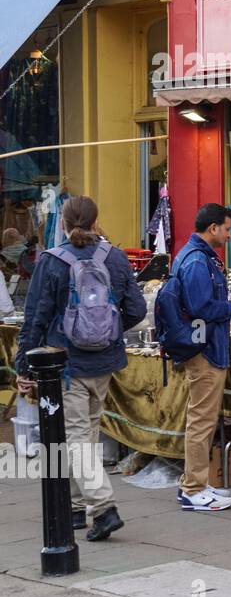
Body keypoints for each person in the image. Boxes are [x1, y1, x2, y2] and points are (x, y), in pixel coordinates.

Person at [14, 196, 146, 541]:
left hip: (64, 362)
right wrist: (108, 332)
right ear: (95, 220)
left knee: (73, 438)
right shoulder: (114, 258)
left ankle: (104, 508)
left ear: (63, 223)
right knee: (84, 434)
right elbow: (136, 308)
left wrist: (24, 366)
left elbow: (35, 319)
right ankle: (73, 508)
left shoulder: (52, 261)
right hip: (103, 361)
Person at [175, 204, 231, 512]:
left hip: (207, 347)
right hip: (204, 350)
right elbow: (201, 307)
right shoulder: (196, 262)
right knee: (202, 420)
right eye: (227, 229)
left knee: (203, 419)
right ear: (213, 228)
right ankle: (192, 489)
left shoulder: (199, 258)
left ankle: (197, 482)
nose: (229, 235)